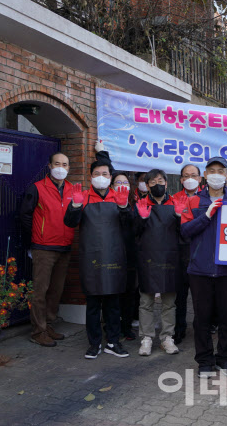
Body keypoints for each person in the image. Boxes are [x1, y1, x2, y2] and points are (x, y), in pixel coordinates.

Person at [64, 149, 131, 359]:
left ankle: (113, 341)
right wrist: (74, 206)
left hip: (114, 258)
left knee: (113, 304)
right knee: (93, 305)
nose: (100, 177)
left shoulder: (118, 197)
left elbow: (130, 227)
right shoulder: (82, 197)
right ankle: (94, 344)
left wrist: (124, 207)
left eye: (104, 174)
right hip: (91, 259)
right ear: (90, 177)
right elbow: (70, 223)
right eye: (96, 174)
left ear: (110, 177)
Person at [180, 157, 227, 377]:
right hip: (200, 269)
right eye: (211, 170)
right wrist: (206, 215)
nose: (216, 174)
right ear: (205, 175)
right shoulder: (194, 201)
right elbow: (185, 232)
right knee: (201, 318)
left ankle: (224, 359)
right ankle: (204, 361)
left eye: (220, 171)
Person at [20, 152, 74, 347]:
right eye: (57, 163)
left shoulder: (72, 189)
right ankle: (38, 330)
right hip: (44, 247)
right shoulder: (36, 188)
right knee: (40, 291)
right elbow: (25, 216)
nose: (61, 167)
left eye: (65, 164)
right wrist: (33, 241)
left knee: (56, 290)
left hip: (64, 246)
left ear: (69, 168)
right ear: (50, 166)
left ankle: (48, 324)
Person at [133, 169, 187, 356]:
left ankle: (166, 338)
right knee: (146, 302)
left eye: (161, 181)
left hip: (170, 259)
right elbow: (134, 232)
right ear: (147, 185)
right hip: (147, 258)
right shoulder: (140, 204)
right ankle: (146, 337)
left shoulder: (176, 203)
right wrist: (141, 218)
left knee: (169, 303)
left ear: (166, 183)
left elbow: (185, 234)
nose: (158, 184)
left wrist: (180, 217)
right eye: (153, 182)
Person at [171, 164, 203, 344]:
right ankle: (179, 329)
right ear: (181, 179)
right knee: (180, 296)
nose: (190, 178)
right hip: (180, 253)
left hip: (200, 252)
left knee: (201, 297)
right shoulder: (174, 199)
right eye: (186, 175)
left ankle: (202, 328)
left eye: (193, 175)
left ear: (200, 178)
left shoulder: (206, 198)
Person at [111, 171, 138, 341]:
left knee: (129, 293)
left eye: (125, 182)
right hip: (112, 253)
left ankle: (127, 326)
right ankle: (113, 326)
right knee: (113, 294)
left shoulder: (134, 203)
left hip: (130, 254)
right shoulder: (107, 203)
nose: (122, 185)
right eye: (118, 182)